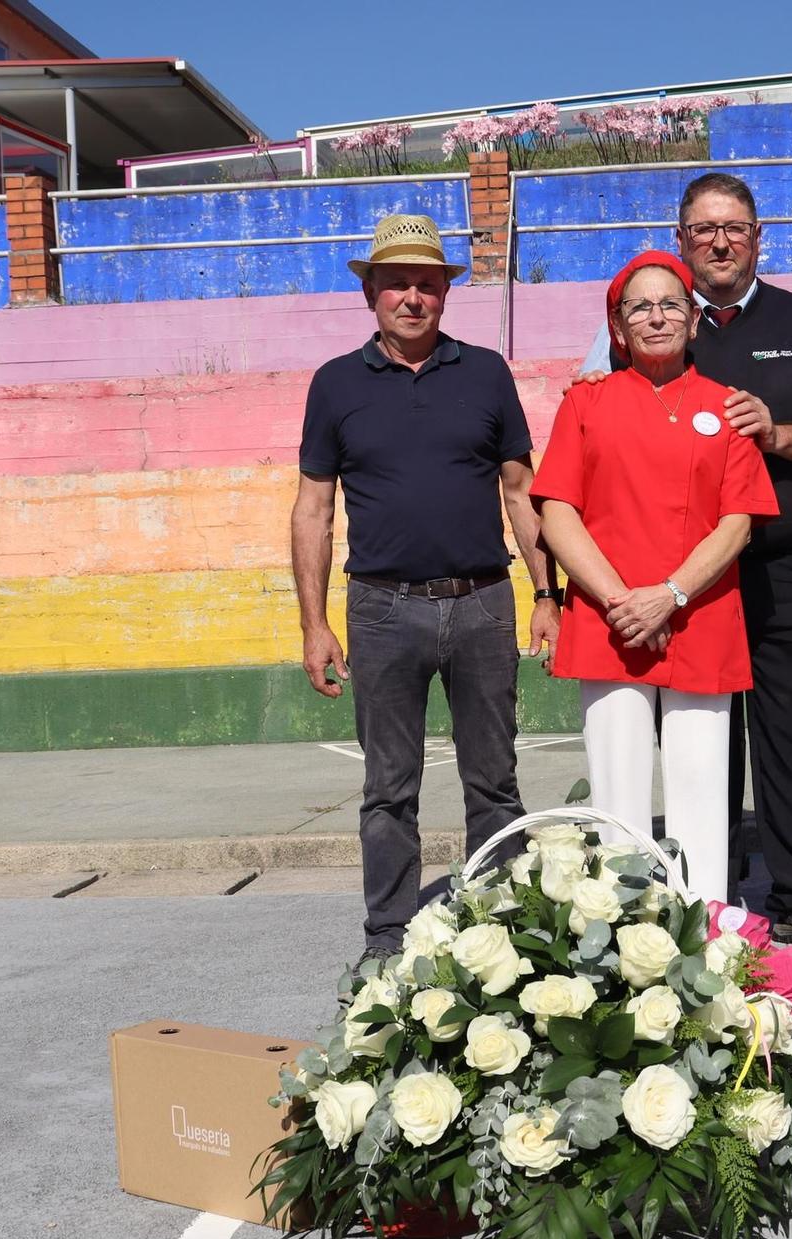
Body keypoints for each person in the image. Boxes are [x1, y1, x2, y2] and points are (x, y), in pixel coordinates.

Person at [579, 173, 792, 952]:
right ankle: (707, 897)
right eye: (704, 229)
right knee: (700, 740)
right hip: (682, 579)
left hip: (785, 561)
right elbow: (593, 413)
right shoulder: (650, 317)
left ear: (758, 236)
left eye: (736, 228)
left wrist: (776, 433)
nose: (720, 241)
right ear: (681, 239)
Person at [291, 213, 562, 959]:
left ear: (446, 291)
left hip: (482, 603)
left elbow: (519, 490)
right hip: (381, 610)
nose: (413, 297)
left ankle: (503, 936)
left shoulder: (484, 373)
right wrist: (315, 624)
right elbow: (315, 508)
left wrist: (548, 595)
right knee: (388, 789)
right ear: (370, 292)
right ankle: (387, 938)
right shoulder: (336, 384)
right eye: (397, 283)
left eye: (427, 283)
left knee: (495, 781)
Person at [535, 251, 780, 903]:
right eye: (639, 306)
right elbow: (557, 512)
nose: (657, 316)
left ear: (694, 319)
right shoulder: (586, 403)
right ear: (618, 327)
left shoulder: (725, 408)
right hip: (608, 624)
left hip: (698, 618)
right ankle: (623, 940)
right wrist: (625, 603)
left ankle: (707, 936)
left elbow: (737, 522)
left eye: (671, 303)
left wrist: (669, 595)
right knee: (617, 799)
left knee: (703, 788)